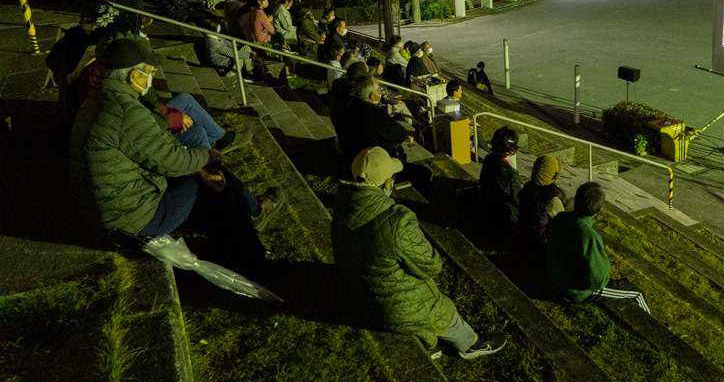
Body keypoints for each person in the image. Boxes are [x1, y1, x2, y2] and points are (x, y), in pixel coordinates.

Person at [68, 36, 285, 273]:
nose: (151, 77)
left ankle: (248, 222)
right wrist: (207, 157)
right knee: (211, 185)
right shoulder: (126, 112)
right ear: (133, 76)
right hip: (132, 223)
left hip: (111, 214)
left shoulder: (99, 100)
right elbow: (175, 161)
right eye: (149, 72)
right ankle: (251, 247)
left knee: (207, 179)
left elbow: (154, 150)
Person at [332, 147, 507, 358]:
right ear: (387, 183)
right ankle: (472, 343)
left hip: (361, 297)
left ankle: (431, 343)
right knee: (439, 310)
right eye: (393, 177)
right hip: (392, 310)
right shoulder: (397, 220)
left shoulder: (342, 206)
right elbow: (432, 266)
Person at [545, 182, 650, 312]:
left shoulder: (560, 217)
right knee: (636, 293)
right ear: (599, 209)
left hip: (555, 278)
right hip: (575, 292)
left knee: (623, 284)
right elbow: (598, 280)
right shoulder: (589, 236)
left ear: (575, 200)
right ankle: (655, 325)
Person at [338, 75, 433, 194]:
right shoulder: (376, 114)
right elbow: (399, 134)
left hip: (354, 158)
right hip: (376, 162)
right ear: (372, 95)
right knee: (426, 173)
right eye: (379, 90)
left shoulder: (347, 108)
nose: (380, 94)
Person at [518, 155, 566, 249]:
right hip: (541, 243)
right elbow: (563, 224)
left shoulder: (527, 189)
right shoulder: (553, 199)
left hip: (524, 234)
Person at [478, 127, 523, 225]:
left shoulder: (489, 158)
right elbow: (517, 200)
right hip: (502, 215)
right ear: (512, 150)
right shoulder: (511, 173)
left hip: (485, 204)